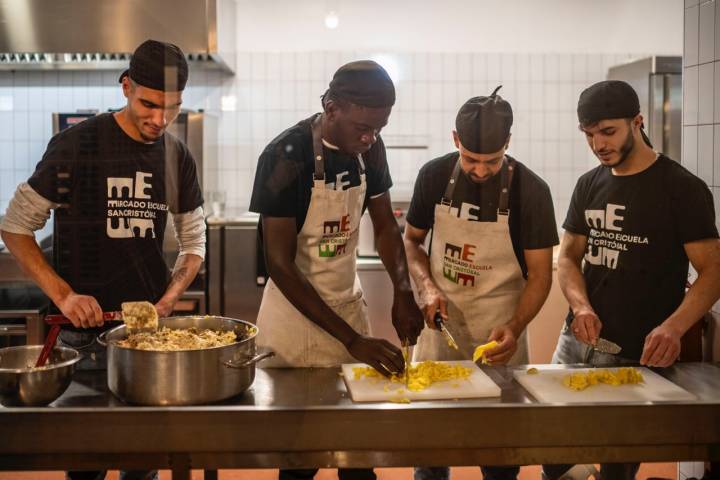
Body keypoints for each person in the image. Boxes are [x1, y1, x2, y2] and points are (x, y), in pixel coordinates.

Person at [0, 39, 206, 480]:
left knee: (143, 465)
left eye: (172, 107)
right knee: (86, 464)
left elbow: (194, 241)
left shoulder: (176, 155)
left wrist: (169, 299)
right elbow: (15, 226)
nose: (160, 119)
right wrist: (65, 295)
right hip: (81, 340)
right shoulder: (77, 145)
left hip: (147, 341)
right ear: (126, 86)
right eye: (149, 104)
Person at [249, 60, 424, 480]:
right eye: (362, 127)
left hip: (347, 305)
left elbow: (384, 226)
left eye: (379, 128)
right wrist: (352, 340)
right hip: (295, 321)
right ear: (331, 108)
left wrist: (403, 294)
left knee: (357, 456)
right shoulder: (283, 156)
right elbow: (279, 264)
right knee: (300, 458)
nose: (370, 138)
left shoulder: (370, 150)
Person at [543, 80, 720, 480]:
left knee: (616, 470)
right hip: (576, 343)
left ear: (637, 122)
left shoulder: (681, 189)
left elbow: (714, 271)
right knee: (554, 461)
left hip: (638, 354)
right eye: (589, 135)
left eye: (608, 131)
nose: (598, 144)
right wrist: (580, 305)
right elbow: (569, 259)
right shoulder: (589, 184)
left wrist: (675, 327)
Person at [404, 88, 558, 480]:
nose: (480, 169)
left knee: (502, 455)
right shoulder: (435, 175)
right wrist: (428, 288)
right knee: (431, 453)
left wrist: (516, 326)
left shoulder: (532, 191)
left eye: (492, 160)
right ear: (455, 139)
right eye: (470, 158)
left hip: (500, 334)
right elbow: (411, 241)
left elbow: (541, 274)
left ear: (508, 143)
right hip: (441, 332)